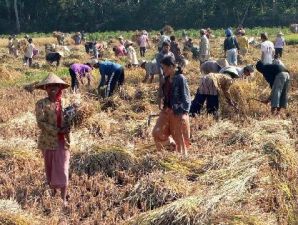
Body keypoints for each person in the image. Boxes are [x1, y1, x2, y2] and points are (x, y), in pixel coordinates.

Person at [35, 73, 71, 207]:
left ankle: (63, 198)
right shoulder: (41, 104)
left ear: (60, 87)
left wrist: (70, 125)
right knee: (50, 167)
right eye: (50, 86)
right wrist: (57, 130)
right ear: (45, 88)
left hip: (64, 141)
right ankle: (53, 192)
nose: (53, 88)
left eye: (55, 86)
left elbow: (71, 119)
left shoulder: (66, 103)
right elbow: (41, 123)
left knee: (62, 167)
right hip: (48, 141)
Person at [152, 56, 191, 156]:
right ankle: (169, 147)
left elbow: (186, 98)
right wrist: (161, 100)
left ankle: (182, 158)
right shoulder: (166, 78)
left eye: (164, 68)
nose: (163, 70)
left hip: (177, 111)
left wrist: (183, 112)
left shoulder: (181, 79)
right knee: (157, 132)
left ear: (171, 67)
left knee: (179, 137)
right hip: (166, 110)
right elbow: (163, 93)